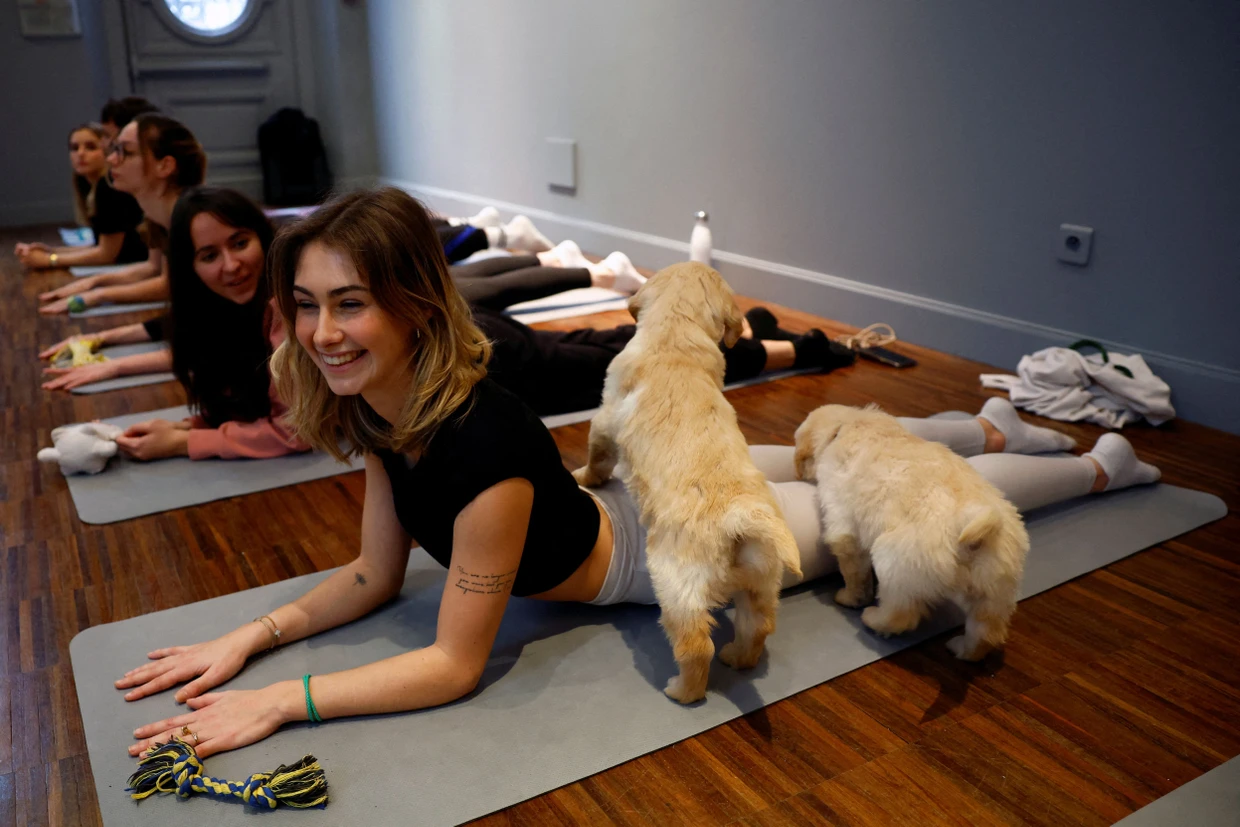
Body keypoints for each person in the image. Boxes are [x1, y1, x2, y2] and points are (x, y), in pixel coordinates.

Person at [114, 188, 1163, 760]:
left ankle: (1088, 470)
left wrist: (282, 704)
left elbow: (449, 663)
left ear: (413, 307)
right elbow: (370, 576)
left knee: (898, 505)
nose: (322, 330)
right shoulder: (378, 412)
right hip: (641, 484)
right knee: (843, 449)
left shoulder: (478, 443)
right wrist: (246, 638)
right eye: (308, 304)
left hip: (663, 541)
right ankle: (975, 424)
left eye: (349, 303)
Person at [37, 113, 206, 315]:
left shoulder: (193, 220)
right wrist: (95, 282)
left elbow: (168, 287)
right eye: (115, 149)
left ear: (165, 166)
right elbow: (152, 267)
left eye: (126, 152)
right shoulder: (158, 215)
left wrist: (98, 293)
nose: (111, 159)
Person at [14, 124, 148, 269]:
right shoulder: (89, 186)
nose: (81, 153)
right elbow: (100, 246)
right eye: (74, 148)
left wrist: (50, 260)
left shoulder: (109, 187)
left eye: (90, 147)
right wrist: (50, 250)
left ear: (107, 151)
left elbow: (107, 254)